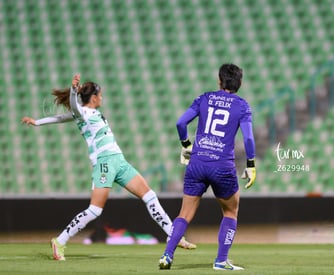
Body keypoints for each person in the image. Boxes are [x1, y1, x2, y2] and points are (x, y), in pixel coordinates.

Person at [21, 74, 196, 261]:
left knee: (150, 196)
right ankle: (60, 241)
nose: (102, 98)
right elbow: (69, 109)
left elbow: (59, 118)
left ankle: (174, 236)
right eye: (101, 95)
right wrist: (73, 90)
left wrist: (37, 122)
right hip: (104, 163)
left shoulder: (90, 113)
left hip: (119, 161)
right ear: (94, 97)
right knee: (95, 210)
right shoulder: (82, 112)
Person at [158, 63, 256, 270]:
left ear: (219, 81)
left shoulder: (204, 98)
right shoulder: (242, 106)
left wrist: (186, 144)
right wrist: (251, 164)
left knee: (184, 214)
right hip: (222, 166)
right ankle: (221, 260)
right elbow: (248, 139)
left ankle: (167, 255)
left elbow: (180, 124)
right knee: (230, 211)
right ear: (240, 82)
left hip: (197, 162)